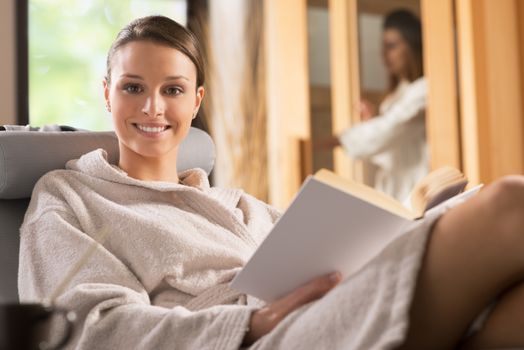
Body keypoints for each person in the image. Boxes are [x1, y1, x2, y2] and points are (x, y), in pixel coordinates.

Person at [18, 15, 524, 349]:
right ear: (108, 94)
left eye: (172, 89)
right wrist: (248, 324)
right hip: (255, 339)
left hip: (314, 314)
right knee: (510, 202)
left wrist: (413, 220)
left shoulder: (238, 206)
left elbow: (339, 260)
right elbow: (90, 329)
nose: (153, 107)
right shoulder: (69, 198)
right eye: (133, 88)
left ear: (195, 103)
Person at [317, 9, 427, 202]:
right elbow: (389, 148)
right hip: (395, 192)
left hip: (416, 191)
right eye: (383, 46)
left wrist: (336, 140)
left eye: (391, 46)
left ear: (412, 46)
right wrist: (373, 121)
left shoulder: (423, 90)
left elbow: (390, 129)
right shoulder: (398, 94)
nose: (384, 54)